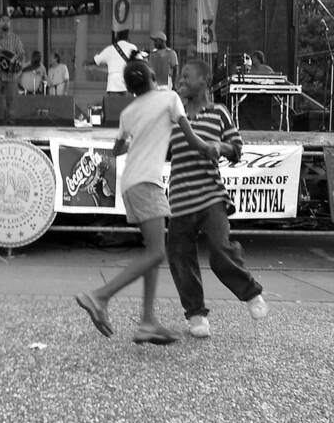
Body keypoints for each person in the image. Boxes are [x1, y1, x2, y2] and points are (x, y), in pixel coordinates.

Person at [75, 60, 216, 344]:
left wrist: (139, 138)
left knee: (153, 250)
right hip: (147, 183)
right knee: (157, 254)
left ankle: (148, 321)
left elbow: (117, 149)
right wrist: (208, 148)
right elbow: (190, 138)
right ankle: (99, 296)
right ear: (154, 76)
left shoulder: (128, 112)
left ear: (129, 88)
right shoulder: (169, 98)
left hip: (129, 183)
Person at [167, 59, 269, 338]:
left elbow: (237, 149)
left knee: (220, 250)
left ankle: (250, 293)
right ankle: (196, 315)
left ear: (204, 81)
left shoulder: (219, 112)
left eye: (187, 76)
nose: (181, 80)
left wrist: (219, 146)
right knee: (179, 255)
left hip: (211, 195)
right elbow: (162, 150)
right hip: (180, 199)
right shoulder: (174, 115)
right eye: (180, 77)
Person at [0, 13, 25, 124]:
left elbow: (22, 55)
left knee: (11, 101)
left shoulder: (15, 38)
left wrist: (18, 68)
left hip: (11, 77)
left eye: (8, 21)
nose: (6, 22)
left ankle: (11, 126)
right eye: (3, 20)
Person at [85, 30, 140, 95]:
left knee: (112, 104)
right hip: (128, 82)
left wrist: (89, 64)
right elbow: (140, 64)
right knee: (129, 104)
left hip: (113, 85)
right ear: (128, 37)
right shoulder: (133, 47)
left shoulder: (110, 49)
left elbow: (95, 61)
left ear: (116, 36)